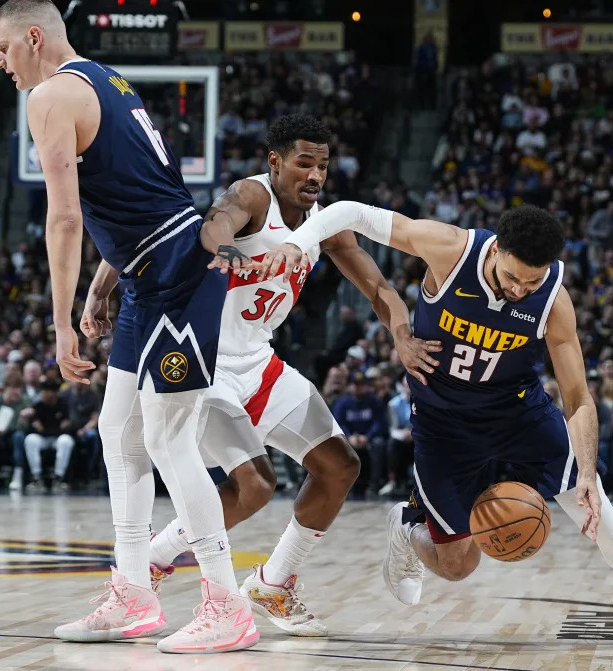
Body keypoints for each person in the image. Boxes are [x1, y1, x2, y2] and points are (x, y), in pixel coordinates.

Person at [259, 202, 613, 650]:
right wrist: (298, 242)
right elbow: (351, 212)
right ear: (496, 252)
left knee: (596, 511)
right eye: (512, 277)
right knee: (456, 566)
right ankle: (408, 530)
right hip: (444, 425)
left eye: (533, 280)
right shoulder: (450, 249)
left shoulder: (552, 299)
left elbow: (579, 397)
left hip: (519, 415)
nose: (521, 289)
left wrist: (587, 471)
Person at [84, 113, 437, 636]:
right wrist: (236, 259)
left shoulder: (324, 221)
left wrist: (401, 333)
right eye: (303, 163)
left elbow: (379, 288)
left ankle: (275, 580)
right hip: (205, 364)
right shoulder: (253, 195)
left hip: (259, 362)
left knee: (339, 467)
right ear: (275, 162)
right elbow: (213, 228)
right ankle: (155, 561)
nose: (315, 175)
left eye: (322, 164)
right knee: (254, 485)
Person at [0, 0, 255, 652]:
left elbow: (65, 219)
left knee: (169, 443)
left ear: (32, 36)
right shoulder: (106, 80)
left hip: (178, 273)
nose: (0, 64)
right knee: (119, 429)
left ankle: (228, 603)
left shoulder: (51, 95)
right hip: (145, 275)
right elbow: (137, 195)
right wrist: (104, 287)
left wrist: (59, 323)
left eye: (2, 48)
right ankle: (134, 593)